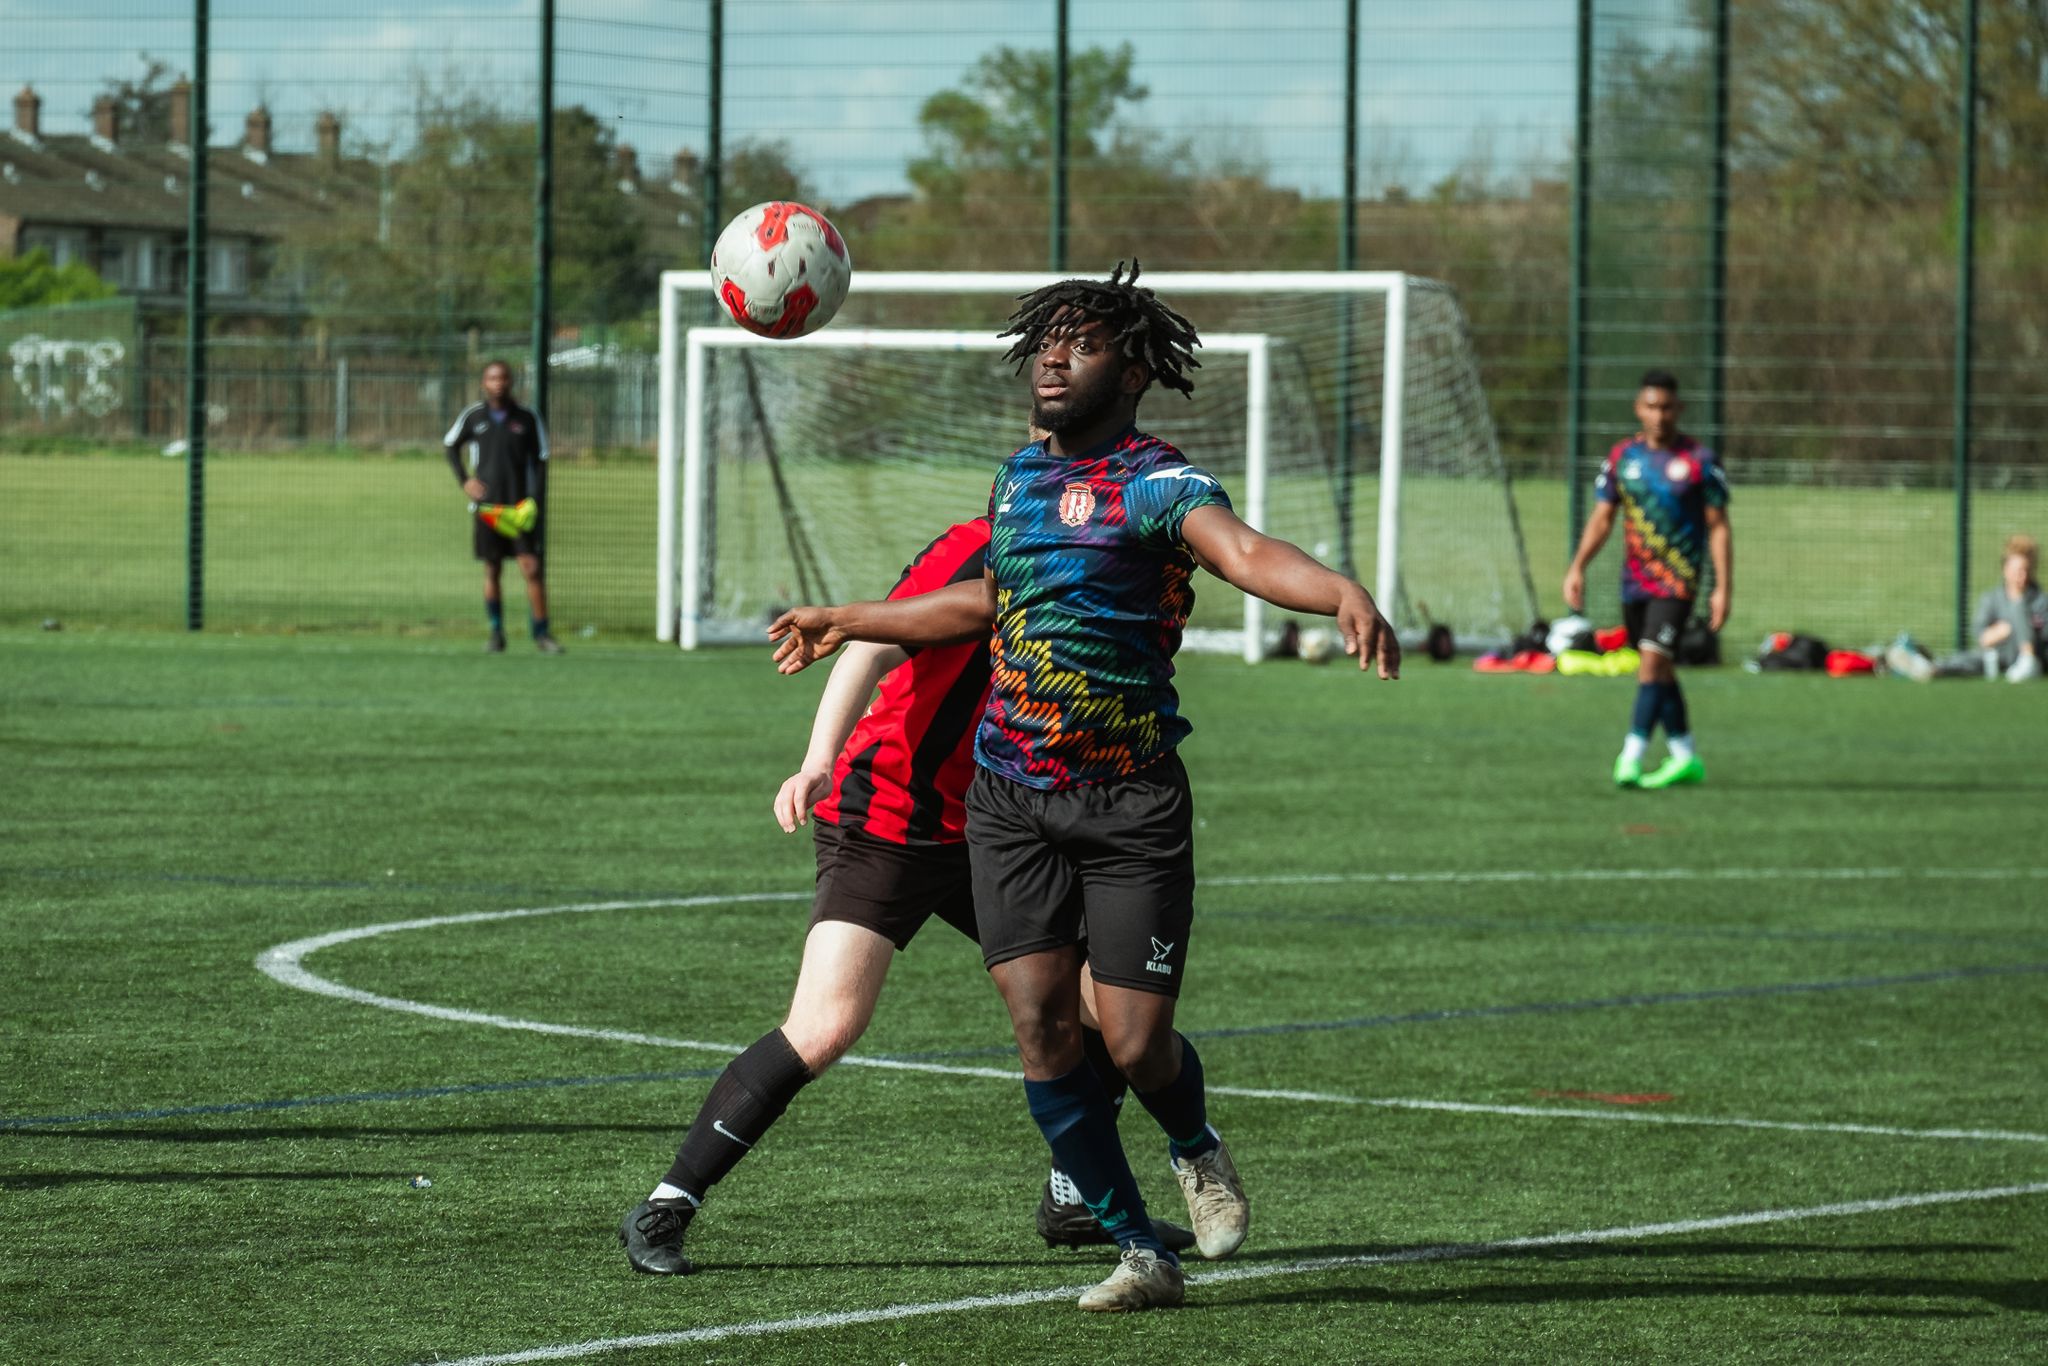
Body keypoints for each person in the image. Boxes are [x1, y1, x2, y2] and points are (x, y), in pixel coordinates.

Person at [767, 263, 1401, 1313]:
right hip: (1010, 798)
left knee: (1136, 1038)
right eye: (1045, 339)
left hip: (1128, 801)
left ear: (1136, 367)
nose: (1054, 356)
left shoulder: (1160, 484)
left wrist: (1335, 589)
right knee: (1040, 1026)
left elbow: (1242, 553)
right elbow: (984, 601)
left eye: (1084, 341)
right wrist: (857, 617)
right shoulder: (1015, 479)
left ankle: (1192, 1144)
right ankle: (1135, 1250)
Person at [617, 517, 1194, 1277]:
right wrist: (818, 760)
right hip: (889, 812)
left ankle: (1074, 1195)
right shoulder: (984, 539)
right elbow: (872, 641)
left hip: (1001, 825)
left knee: (1106, 1002)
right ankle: (666, 1205)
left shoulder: (1116, 559)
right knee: (825, 1025)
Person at [1563, 370, 1731, 788]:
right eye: (1652, 407)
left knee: (1652, 665)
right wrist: (1577, 566)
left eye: (1667, 407)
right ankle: (1685, 755)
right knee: (1659, 669)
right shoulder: (1624, 458)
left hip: (1677, 583)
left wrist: (1723, 588)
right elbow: (1603, 518)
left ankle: (1631, 755)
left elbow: (1719, 526)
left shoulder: (1699, 462)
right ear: (1639, 409)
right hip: (1635, 583)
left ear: (1679, 409)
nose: (1660, 415)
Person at [442, 360, 562, 654]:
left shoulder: (527, 418)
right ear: (484, 383)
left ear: (511, 382)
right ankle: (496, 632)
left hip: (520, 508)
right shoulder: (474, 416)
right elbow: (450, 446)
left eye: (503, 378)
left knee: (531, 568)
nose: (498, 383)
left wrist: (534, 499)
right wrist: (465, 481)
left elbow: (542, 459)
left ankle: (542, 633)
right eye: (493, 378)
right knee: (492, 569)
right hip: (488, 509)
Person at [1973, 535, 2046, 682]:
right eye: (2018, 570)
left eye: (2027, 570)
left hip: (2040, 657)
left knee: (2019, 606)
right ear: (2005, 569)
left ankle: (2028, 660)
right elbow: (1982, 638)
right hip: (2001, 654)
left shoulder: (2042, 600)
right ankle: (1934, 667)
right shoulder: (1991, 599)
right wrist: (2003, 630)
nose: (2023, 576)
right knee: (1972, 658)